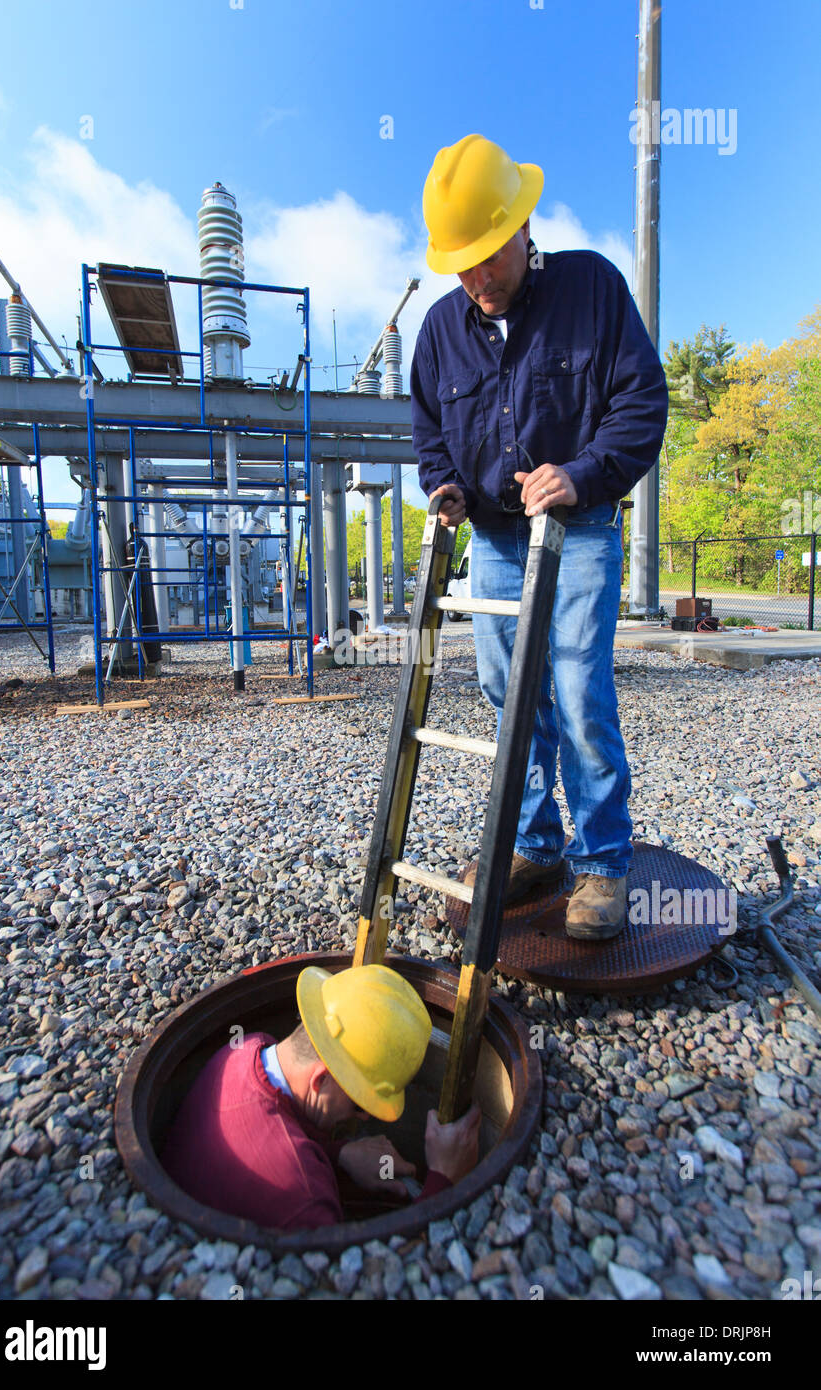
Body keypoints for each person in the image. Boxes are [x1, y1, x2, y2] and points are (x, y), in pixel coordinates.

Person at [411, 134, 668, 940]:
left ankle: (601, 865)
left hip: (580, 527)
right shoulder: (438, 332)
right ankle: (534, 844)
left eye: (488, 256)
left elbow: (641, 404)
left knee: (576, 692)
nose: (476, 278)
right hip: (492, 539)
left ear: (524, 227)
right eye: (462, 264)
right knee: (504, 696)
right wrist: (443, 485)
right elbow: (430, 435)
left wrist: (582, 472)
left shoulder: (592, 287)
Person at [161, 963, 481, 1230]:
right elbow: (367, 1278)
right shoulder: (304, 1197)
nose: (365, 1116)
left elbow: (269, 1135)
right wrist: (444, 1180)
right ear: (321, 1077)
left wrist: (336, 1154)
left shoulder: (244, 1050)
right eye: (359, 1104)